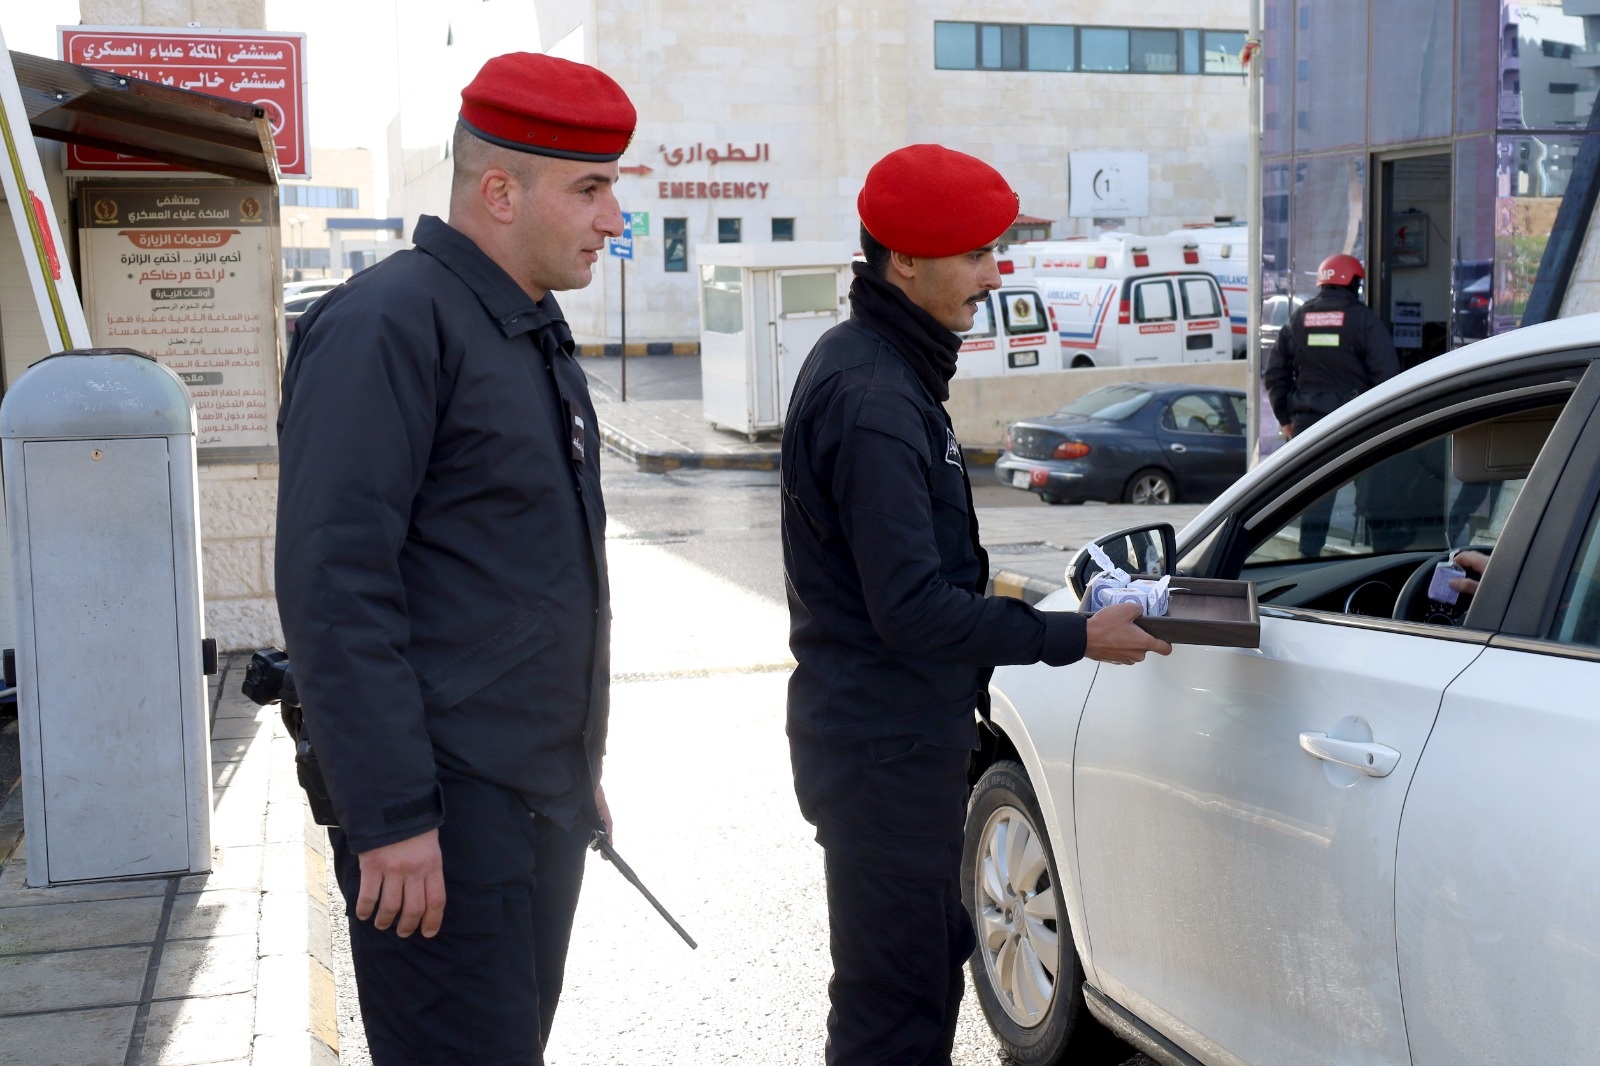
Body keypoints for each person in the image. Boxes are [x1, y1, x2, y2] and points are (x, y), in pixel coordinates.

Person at [274, 52, 634, 1065]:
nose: (614, 219)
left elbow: (521, 575)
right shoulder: (388, 322)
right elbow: (334, 584)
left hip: (534, 803)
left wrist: (574, 764)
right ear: (499, 190)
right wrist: (388, 817)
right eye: (592, 189)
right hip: (435, 821)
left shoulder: (528, 328)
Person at [780, 143, 1172, 1066]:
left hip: (889, 741)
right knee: (896, 1007)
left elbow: (922, 575)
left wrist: (1029, 598)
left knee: (912, 977)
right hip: (884, 748)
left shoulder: (883, 368)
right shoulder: (875, 396)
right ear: (903, 261)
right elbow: (911, 609)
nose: (994, 276)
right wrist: (1076, 636)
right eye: (973, 255)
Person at [1263, 253, 1401, 556]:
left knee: (1314, 501)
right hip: (1357, 424)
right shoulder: (1364, 320)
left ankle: (1307, 560)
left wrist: (1286, 418)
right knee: (1374, 497)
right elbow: (1388, 377)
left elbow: (1274, 374)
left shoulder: (1298, 319)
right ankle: (1384, 560)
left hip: (1309, 426)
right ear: (1352, 282)